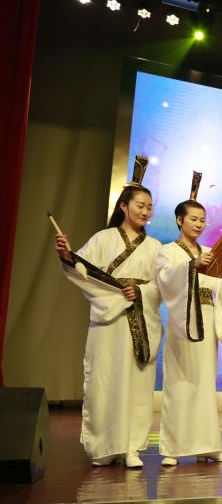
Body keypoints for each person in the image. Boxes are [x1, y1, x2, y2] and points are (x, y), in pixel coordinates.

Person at [55, 155, 162, 468]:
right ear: (124, 207)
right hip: (109, 321)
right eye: (140, 205)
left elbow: (163, 285)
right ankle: (103, 445)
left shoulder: (155, 247)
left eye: (149, 206)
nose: (145, 211)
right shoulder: (103, 238)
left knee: (136, 384)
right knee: (106, 380)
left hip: (141, 319)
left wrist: (140, 292)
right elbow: (83, 270)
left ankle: (131, 446)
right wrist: (67, 255)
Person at [156, 172, 222, 466]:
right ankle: (172, 448)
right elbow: (166, 280)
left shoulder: (211, 253)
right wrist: (192, 266)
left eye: (202, 220)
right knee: (180, 383)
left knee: (204, 384)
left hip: (207, 321)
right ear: (180, 220)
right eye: (193, 219)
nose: (199, 224)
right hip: (184, 323)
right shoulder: (167, 252)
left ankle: (208, 444)